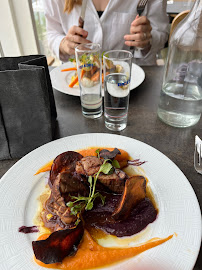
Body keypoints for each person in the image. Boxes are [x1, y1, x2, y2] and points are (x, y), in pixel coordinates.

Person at [42, 0, 169, 65]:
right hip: (77, 87)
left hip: (135, 87)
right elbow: (51, 34)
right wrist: (63, 44)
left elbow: (162, 34)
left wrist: (147, 40)